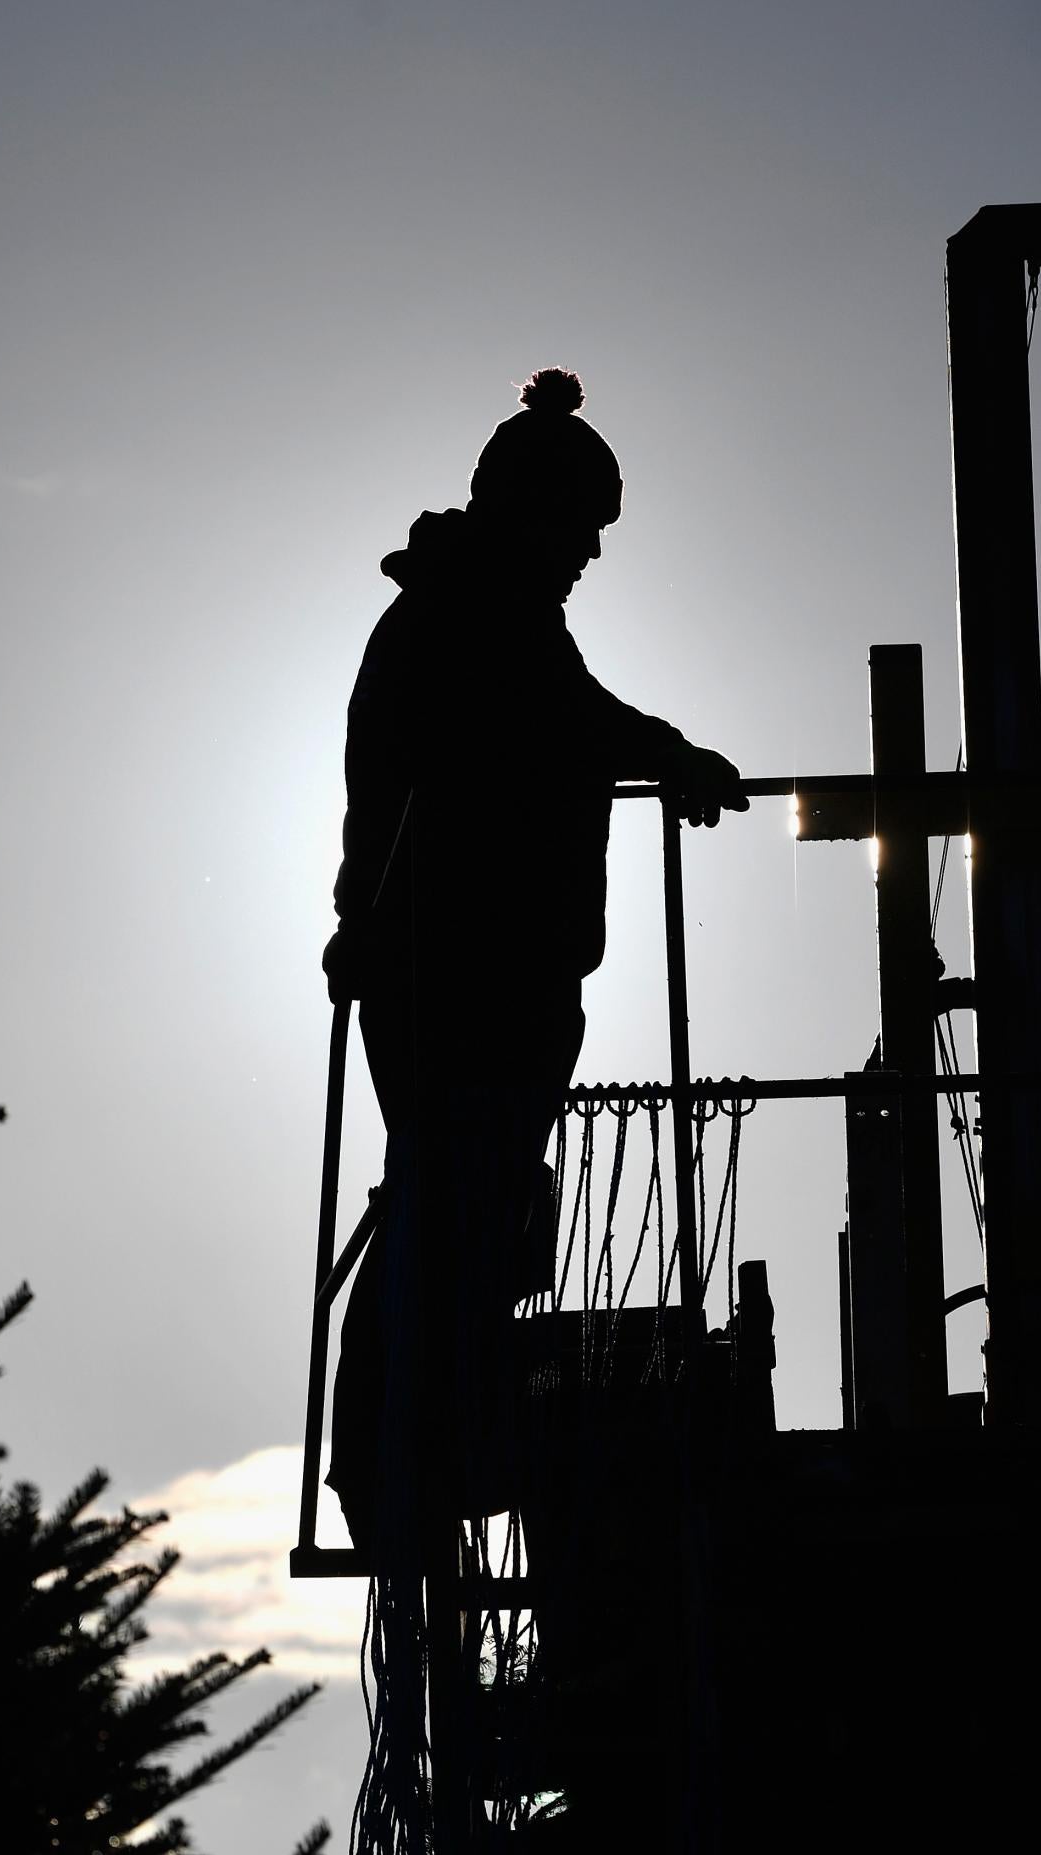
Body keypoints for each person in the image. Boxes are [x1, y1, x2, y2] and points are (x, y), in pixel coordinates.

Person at [320, 367, 747, 1552]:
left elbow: (564, 713)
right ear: (533, 511)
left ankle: (413, 1441)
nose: (591, 557)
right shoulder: (474, 617)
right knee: (456, 1200)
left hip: (462, 968)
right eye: (584, 529)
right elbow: (570, 721)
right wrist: (673, 755)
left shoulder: (474, 611)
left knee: (465, 1199)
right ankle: (402, 1450)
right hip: (464, 972)